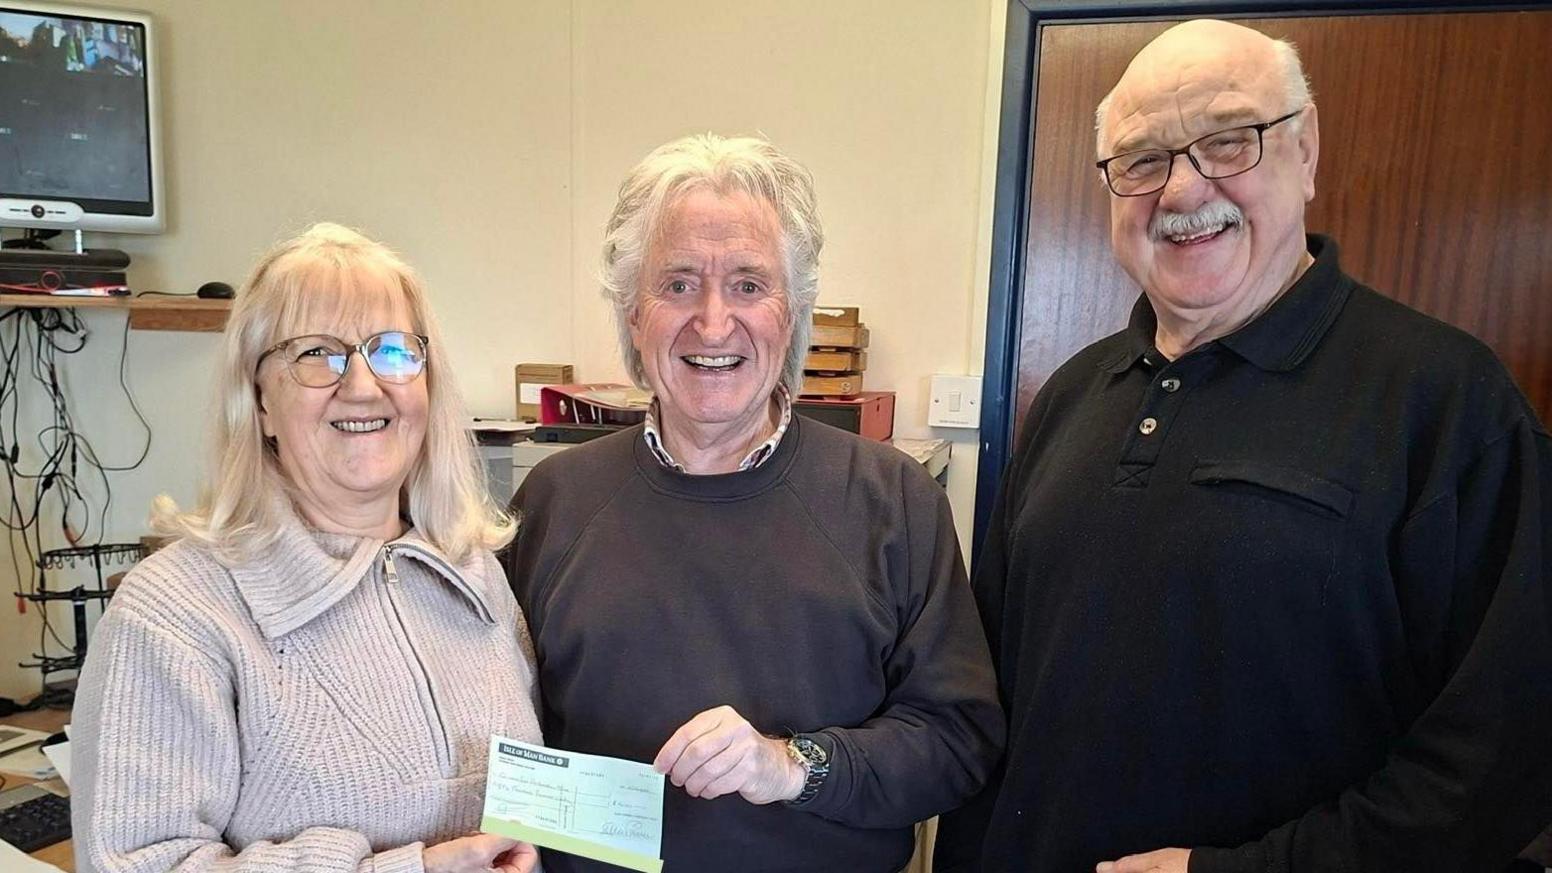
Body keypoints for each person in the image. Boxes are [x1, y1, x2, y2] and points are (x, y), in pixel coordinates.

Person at [934, 18, 1552, 873]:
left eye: (1228, 141)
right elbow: (995, 698)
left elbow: (1504, 756)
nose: (1183, 192)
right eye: (1144, 160)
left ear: (1305, 153)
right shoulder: (1072, 395)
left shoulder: (1450, 405)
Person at [504, 133, 1003, 872]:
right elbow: (499, 728)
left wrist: (791, 765)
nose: (711, 322)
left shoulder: (894, 499)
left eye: (747, 283)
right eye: (676, 283)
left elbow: (958, 740)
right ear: (633, 315)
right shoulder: (553, 501)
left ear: (794, 312)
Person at [71, 223, 543, 873]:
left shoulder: (473, 573)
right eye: (317, 352)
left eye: (393, 350)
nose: (362, 384)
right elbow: (140, 863)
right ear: (258, 398)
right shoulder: (175, 610)